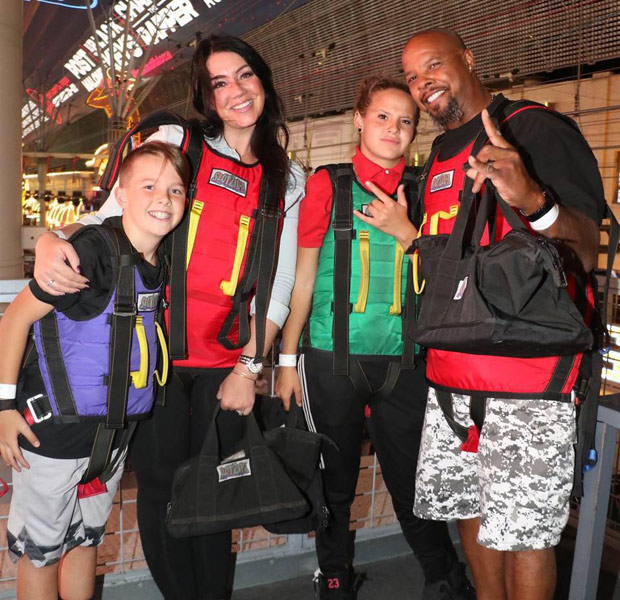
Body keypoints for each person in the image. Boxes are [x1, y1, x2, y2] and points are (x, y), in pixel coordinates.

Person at [33, 34, 304, 600]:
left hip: (225, 362)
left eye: (245, 74)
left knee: (214, 489)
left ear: (263, 80)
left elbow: (276, 285)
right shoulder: (180, 142)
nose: (237, 90)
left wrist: (250, 367)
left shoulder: (288, 178)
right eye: (219, 82)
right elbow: (111, 215)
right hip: (152, 354)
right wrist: (55, 238)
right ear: (205, 96)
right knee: (160, 489)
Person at [356, 29, 605, 600]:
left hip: (528, 375)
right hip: (452, 373)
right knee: (470, 510)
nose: (422, 83)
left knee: (525, 533)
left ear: (468, 59)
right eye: (412, 76)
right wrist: (410, 238)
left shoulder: (533, 128)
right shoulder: (440, 154)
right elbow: (457, 265)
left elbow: (586, 249)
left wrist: (532, 200)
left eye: (433, 65)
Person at [276, 76, 474, 600]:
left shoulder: (424, 190)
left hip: (406, 364)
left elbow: (445, 275)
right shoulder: (327, 185)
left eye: (405, 120)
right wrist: (286, 360)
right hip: (330, 361)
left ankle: (444, 579)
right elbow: (303, 278)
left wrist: (409, 230)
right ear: (359, 120)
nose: (393, 128)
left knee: (413, 484)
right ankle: (334, 579)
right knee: (335, 486)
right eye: (382, 116)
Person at [0, 141, 188, 600]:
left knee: (86, 541)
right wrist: (3, 407)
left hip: (111, 438)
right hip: (53, 437)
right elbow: (15, 318)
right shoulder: (92, 252)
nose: (163, 199)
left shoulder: (160, 258)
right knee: (40, 553)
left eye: (175, 190)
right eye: (149, 186)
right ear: (121, 195)